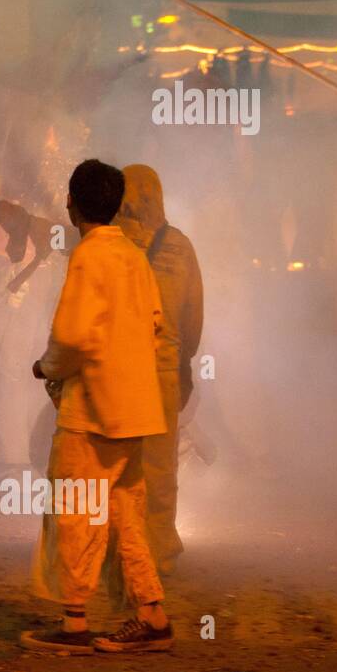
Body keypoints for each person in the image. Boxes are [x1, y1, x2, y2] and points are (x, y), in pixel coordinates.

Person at [21, 159, 172, 654]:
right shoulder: (133, 255)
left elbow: (71, 336)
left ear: (72, 202)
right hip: (134, 411)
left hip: (93, 414)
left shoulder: (88, 256)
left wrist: (46, 367)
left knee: (75, 513)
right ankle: (151, 613)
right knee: (126, 514)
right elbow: (155, 323)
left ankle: (74, 623)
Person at [115, 164, 203, 575]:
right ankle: (160, 550)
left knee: (118, 464)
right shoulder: (181, 246)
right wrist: (183, 363)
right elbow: (193, 316)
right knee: (161, 466)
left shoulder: (110, 243)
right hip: (165, 370)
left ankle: (119, 550)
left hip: (119, 371)